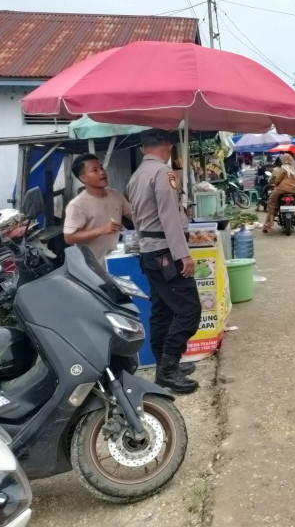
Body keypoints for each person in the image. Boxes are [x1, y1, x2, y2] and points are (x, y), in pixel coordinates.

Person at [127, 129, 201, 394]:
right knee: (189, 310)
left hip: (150, 251)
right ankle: (168, 370)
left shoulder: (136, 176)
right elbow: (169, 216)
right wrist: (183, 254)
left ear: (143, 147)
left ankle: (164, 364)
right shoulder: (163, 173)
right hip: (166, 253)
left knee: (163, 310)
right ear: (168, 146)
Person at [63, 154, 132, 266]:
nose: (102, 172)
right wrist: (102, 230)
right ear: (83, 178)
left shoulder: (115, 195)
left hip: (114, 261)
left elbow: (133, 215)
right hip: (92, 267)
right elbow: (69, 237)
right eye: (95, 170)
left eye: (101, 168)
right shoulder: (77, 205)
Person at [263, 153, 295, 232]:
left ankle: (270, 223)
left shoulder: (282, 169)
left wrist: (277, 186)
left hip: (282, 189)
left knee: (272, 202)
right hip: (294, 190)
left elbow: (277, 180)